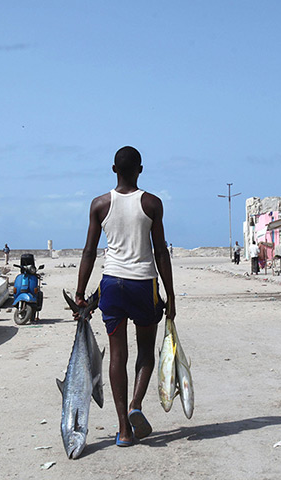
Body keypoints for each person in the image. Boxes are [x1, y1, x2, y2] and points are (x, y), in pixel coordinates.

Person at [74, 146, 175, 447]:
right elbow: (160, 252)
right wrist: (171, 295)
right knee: (145, 351)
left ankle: (124, 431)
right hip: (144, 285)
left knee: (117, 354)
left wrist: (80, 293)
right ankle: (135, 406)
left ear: (114, 170)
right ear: (140, 170)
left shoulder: (100, 204)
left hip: (112, 285)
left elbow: (89, 251)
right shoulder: (152, 203)